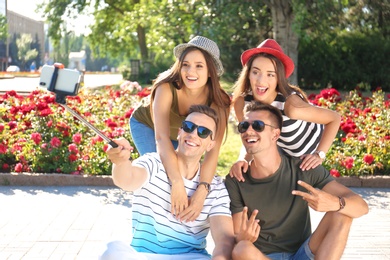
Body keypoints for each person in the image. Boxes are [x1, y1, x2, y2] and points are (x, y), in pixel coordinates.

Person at [225, 101, 369, 260]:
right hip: (263, 256)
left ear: (275, 134)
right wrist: (242, 238)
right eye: (243, 126)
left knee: (342, 214)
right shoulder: (236, 179)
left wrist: (335, 203)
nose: (248, 131)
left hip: (303, 253)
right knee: (241, 249)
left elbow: (361, 207)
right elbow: (238, 234)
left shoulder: (303, 168)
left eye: (258, 125)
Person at [101, 105, 235, 260]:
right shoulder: (153, 162)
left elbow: (224, 239)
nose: (193, 134)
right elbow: (127, 180)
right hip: (145, 256)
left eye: (203, 132)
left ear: (211, 144)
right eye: (188, 127)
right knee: (112, 251)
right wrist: (121, 162)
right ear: (179, 132)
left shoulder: (215, 187)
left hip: (192, 257)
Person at [130, 36, 231, 221]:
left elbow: (212, 151)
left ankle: (180, 226)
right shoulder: (167, 87)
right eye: (186, 64)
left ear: (211, 71)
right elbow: (161, 138)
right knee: (163, 174)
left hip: (184, 133)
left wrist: (202, 190)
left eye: (199, 66)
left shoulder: (220, 102)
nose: (190, 71)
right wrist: (176, 182)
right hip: (149, 127)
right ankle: (153, 222)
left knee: (186, 176)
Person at [230, 39, 341, 179]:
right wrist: (243, 159)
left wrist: (319, 154)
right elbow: (248, 136)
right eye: (256, 72)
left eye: (270, 74)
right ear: (248, 73)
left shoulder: (291, 106)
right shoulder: (242, 103)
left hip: (308, 156)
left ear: (279, 78)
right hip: (279, 153)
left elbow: (334, 118)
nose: (260, 81)